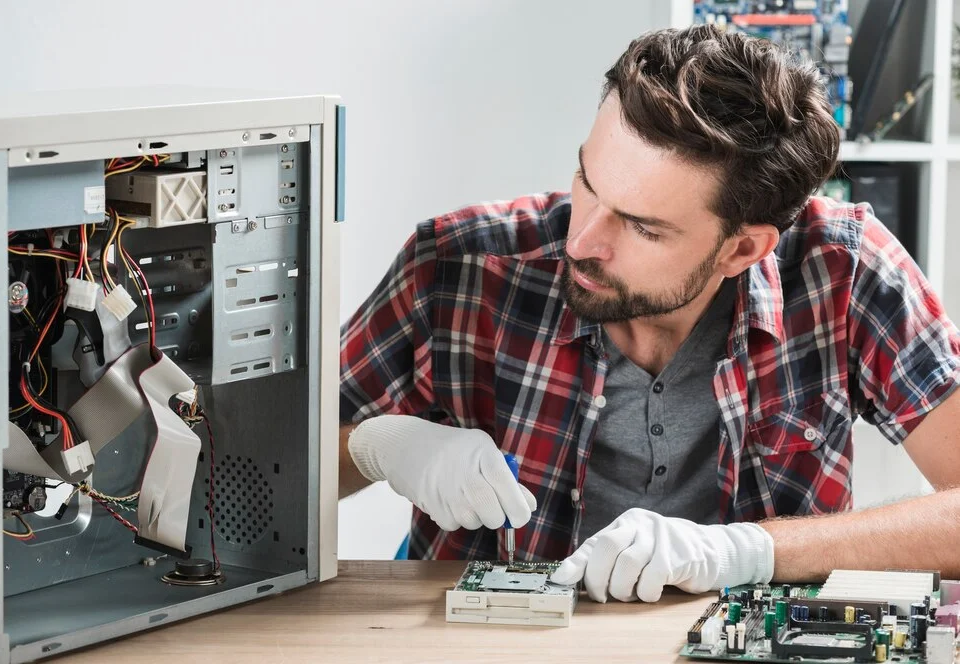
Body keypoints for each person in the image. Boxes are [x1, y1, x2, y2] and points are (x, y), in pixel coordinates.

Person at [337, 25, 960, 603]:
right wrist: (377, 447)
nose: (580, 242)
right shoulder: (458, 264)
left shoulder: (843, 269)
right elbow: (257, 469)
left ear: (741, 249)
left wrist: (749, 551)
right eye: (588, 181)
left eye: (641, 227)